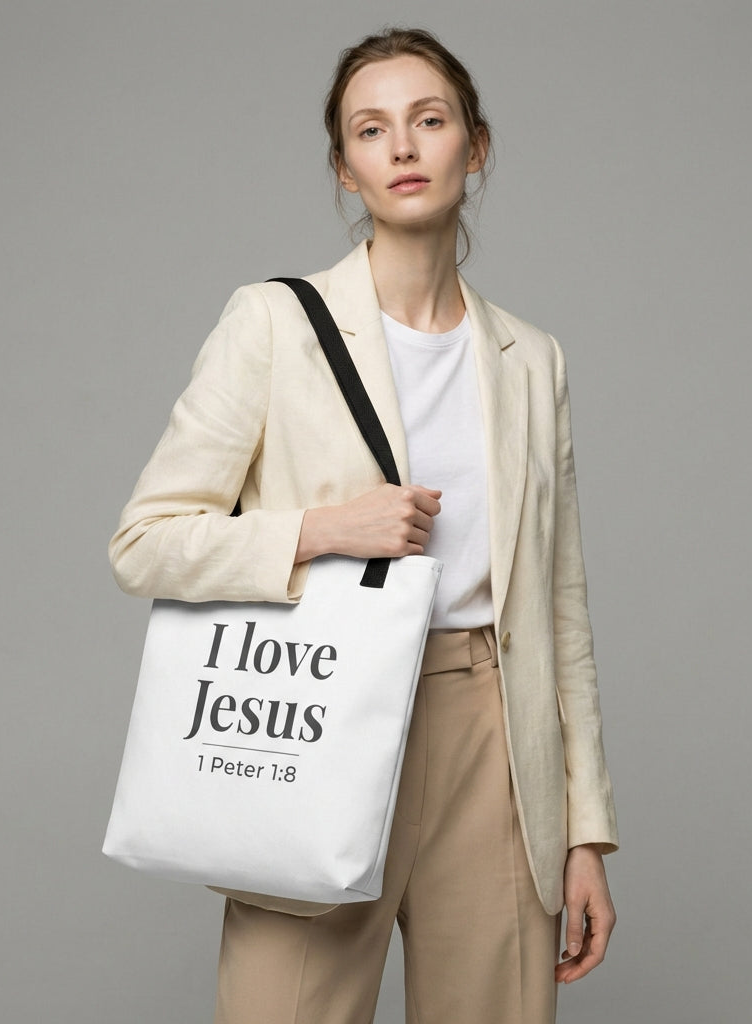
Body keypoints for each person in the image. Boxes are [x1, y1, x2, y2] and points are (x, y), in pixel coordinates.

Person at [110, 26, 618, 1024]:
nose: (401, 147)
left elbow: (560, 610)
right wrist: (321, 529)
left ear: (474, 146)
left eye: (428, 121)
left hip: (492, 739)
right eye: (370, 129)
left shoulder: (532, 359)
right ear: (344, 171)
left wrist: (585, 829)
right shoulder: (271, 324)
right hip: (320, 713)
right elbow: (145, 539)